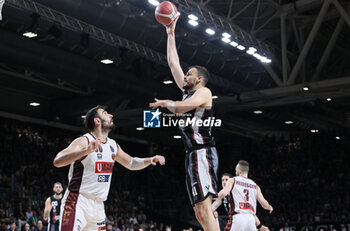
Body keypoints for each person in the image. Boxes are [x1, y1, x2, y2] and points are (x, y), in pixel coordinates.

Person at [149, 17, 219, 231]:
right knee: (199, 211)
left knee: (204, 209)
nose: (185, 76)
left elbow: (180, 108)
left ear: (199, 79)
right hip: (192, 154)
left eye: (190, 74)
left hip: (203, 152)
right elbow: (173, 63)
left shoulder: (204, 92)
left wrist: (164, 103)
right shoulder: (187, 92)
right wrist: (170, 33)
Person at [53, 105, 165, 231]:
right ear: (97, 121)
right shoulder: (84, 141)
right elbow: (57, 161)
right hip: (77, 202)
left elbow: (131, 163)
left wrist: (149, 160)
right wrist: (86, 151)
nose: (111, 115)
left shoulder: (113, 145)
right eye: (106, 113)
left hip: (98, 207)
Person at [214, 161, 273, 231]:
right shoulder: (255, 185)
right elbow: (263, 203)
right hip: (251, 219)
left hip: (238, 217)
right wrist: (269, 207)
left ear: (239, 171)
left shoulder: (233, 180)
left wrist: (211, 196)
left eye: (236, 170)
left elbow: (223, 194)